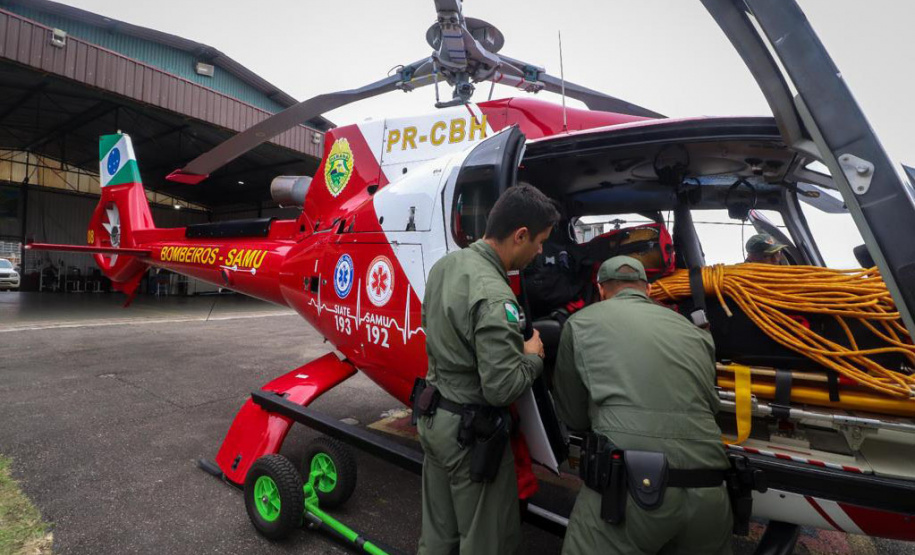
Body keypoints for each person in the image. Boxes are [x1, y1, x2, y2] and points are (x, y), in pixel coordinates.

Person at [553, 256, 733, 555]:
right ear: (648, 289)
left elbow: (573, 414)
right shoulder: (695, 331)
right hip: (710, 489)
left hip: (632, 488)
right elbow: (710, 404)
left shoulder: (581, 322)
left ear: (601, 290)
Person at [416, 184, 560, 555]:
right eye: (540, 242)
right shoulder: (495, 295)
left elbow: (434, 327)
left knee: (438, 538)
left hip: (434, 418)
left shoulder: (444, 267)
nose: (540, 251)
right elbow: (501, 388)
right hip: (469, 436)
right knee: (487, 542)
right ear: (520, 235)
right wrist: (532, 356)